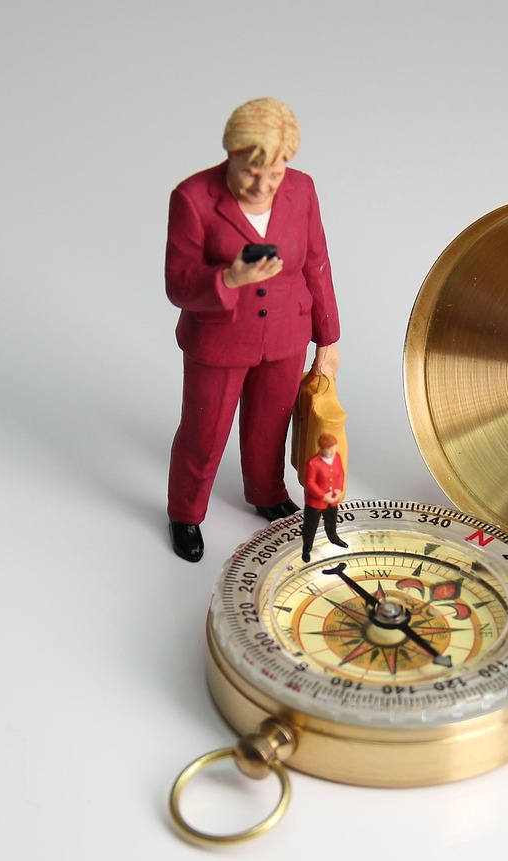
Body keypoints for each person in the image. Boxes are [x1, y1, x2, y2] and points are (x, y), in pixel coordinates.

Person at [164, 97, 341, 562]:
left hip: (286, 333)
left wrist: (328, 338)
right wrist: (228, 278)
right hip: (219, 339)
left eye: (275, 173)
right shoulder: (193, 198)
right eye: (250, 172)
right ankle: (185, 511)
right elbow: (178, 283)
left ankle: (266, 491)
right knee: (204, 432)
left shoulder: (302, 190)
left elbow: (317, 264)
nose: (263, 185)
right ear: (231, 155)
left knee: (272, 423)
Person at [301, 433, 348, 563]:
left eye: (334, 447)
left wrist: (338, 489)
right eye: (329, 449)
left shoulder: (337, 457)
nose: (332, 451)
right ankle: (306, 549)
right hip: (315, 503)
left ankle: (333, 538)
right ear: (322, 449)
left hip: (332, 500)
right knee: (310, 527)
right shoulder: (313, 463)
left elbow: (340, 474)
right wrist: (323, 496)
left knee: (331, 522)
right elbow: (310, 483)